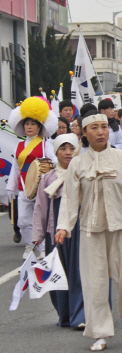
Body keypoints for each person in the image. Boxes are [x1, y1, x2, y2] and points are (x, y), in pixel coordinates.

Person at [56, 111, 122, 352]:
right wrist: (63, 226)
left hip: (121, 228)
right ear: (85, 134)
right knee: (95, 283)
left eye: (103, 127)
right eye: (94, 128)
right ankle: (99, 332)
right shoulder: (78, 163)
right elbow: (69, 198)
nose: (100, 132)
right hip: (91, 231)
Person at [32, 133, 85, 329]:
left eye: (71, 148)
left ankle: (80, 316)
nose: (68, 153)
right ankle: (65, 315)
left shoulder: (82, 173)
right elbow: (40, 208)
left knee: (79, 272)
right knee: (58, 274)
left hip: (78, 230)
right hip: (55, 231)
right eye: (63, 149)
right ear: (56, 152)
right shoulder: (48, 178)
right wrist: (38, 235)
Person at [7, 96, 58, 258]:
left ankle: (41, 246)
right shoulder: (19, 145)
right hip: (23, 187)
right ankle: (30, 246)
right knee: (22, 220)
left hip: (41, 187)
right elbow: (15, 168)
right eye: (26, 124)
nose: (29, 127)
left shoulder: (45, 145)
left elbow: (55, 162)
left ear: (39, 127)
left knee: (41, 219)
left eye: (32, 124)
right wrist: (11, 188)